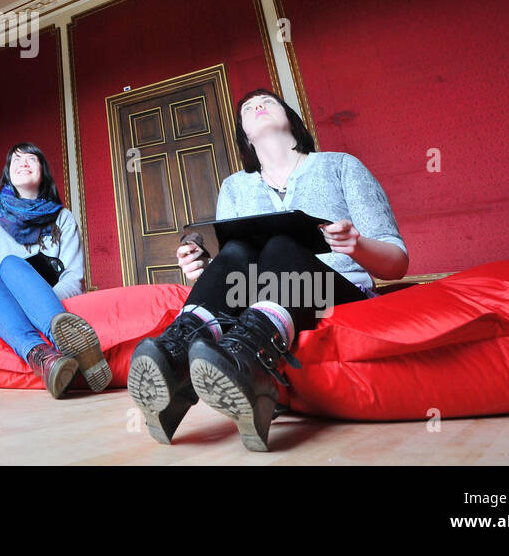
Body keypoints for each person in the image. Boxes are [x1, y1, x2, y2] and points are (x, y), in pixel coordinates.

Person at [129, 88, 408, 449]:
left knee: (280, 243)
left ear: (290, 117)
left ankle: (251, 369)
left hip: (334, 292)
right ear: (244, 133)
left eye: (268, 102)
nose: (257, 106)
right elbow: (237, 267)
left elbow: (398, 262)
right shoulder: (234, 187)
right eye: (247, 107)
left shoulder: (340, 165)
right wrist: (205, 270)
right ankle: (176, 359)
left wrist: (357, 245)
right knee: (235, 249)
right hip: (260, 300)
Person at [0, 142, 110, 397]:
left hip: (47, 304)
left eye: (31, 159)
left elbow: (73, 278)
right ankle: (46, 359)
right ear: (8, 174)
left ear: (43, 172)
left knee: (11, 265)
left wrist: (35, 302)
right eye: (16, 160)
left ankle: (58, 343)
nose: (23, 162)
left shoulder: (63, 219)